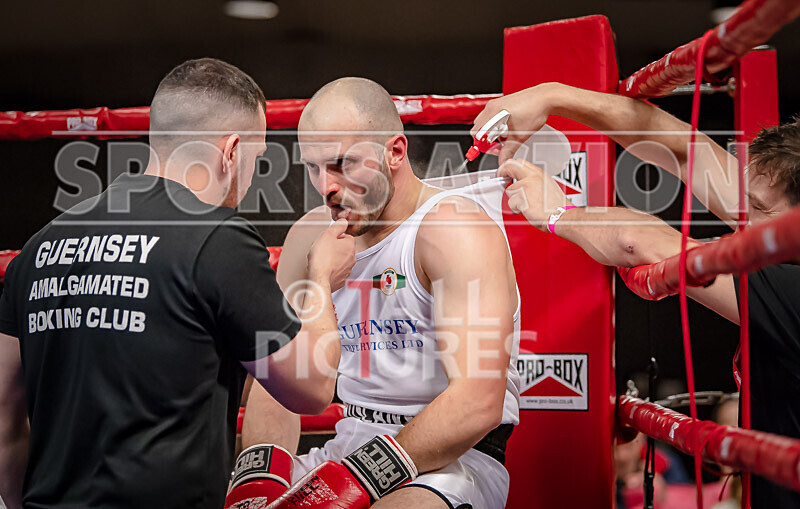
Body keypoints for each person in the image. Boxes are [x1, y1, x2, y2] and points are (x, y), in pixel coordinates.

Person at [0, 58, 355, 509]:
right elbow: (311, 387)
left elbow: (4, 419)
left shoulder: (38, 249)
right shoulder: (218, 238)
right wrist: (320, 278)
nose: (251, 178)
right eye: (257, 159)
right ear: (231, 152)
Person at [472, 82, 800, 507]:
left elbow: (640, 240)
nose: (741, 220)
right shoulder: (773, 234)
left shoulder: (791, 288)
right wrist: (552, 96)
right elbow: (682, 150)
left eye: (760, 210)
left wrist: (557, 213)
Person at [238, 77, 520, 509]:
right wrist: (259, 481)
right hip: (348, 447)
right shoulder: (311, 236)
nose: (325, 186)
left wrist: (355, 482)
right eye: (313, 168)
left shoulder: (452, 230)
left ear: (395, 152)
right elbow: (280, 379)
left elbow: (477, 403)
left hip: (451, 463)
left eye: (341, 164)